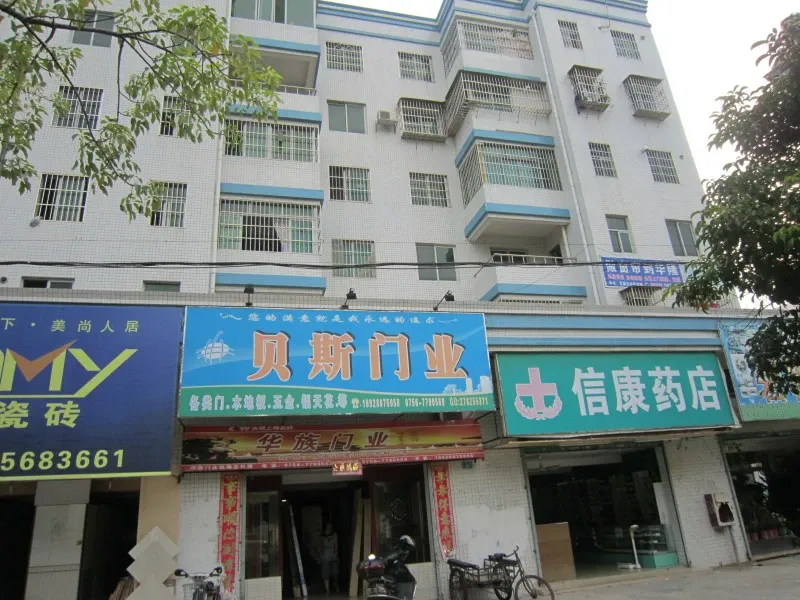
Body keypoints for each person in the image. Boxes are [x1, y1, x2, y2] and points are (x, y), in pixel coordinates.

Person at [319, 523, 339, 596]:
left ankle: (335, 584)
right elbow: (320, 546)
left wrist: (335, 554)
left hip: (333, 556)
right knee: (325, 574)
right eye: (328, 525)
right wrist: (320, 556)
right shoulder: (322, 536)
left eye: (330, 525)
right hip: (325, 557)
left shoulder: (334, 534)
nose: (329, 526)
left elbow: (336, 545)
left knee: (335, 572)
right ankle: (327, 591)